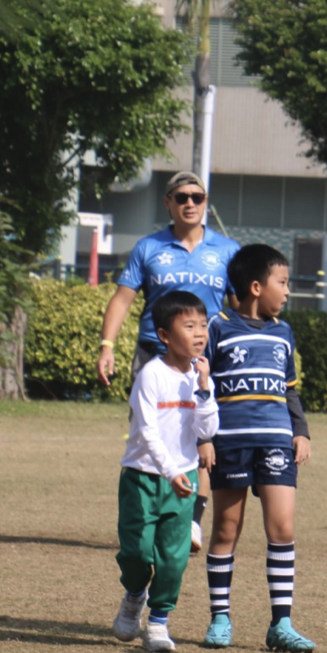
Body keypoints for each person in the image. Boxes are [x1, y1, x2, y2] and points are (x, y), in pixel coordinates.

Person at [98, 171, 240, 554]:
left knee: (203, 436)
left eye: (197, 196)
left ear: (206, 201)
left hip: (206, 357)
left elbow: (242, 305)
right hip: (154, 355)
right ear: (168, 203)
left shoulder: (227, 250)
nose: (189, 203)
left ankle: (191, 519)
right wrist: (107, 345)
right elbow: (123, 298)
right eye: (181, 197)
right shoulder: (148, 248)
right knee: (151, 434)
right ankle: (149, 513)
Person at [198, 244, 315, 653]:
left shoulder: (283, 332)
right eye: (281, 283)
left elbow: (290, 389)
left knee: (282, 529)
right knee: (226, 530)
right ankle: (220, 617)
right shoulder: (217, 327)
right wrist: (204, 439)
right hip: (230, 445)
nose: (287, 292)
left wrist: (300, 430)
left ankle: (281, 623)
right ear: (254, 286)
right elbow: (201, 388)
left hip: (277, 443)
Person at [109, 292, 219, 653]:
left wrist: (204, 389)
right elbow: (147, 431)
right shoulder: (151, 375)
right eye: (189, 326)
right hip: (142, 477)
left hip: (182, 480)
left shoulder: (200, 376)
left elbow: (209, 428)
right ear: (165, 335)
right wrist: (170, 471)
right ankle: (135, 593)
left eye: (203, 325)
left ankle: (158, 623)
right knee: (137, 553)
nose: (199, 333)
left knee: (173, 558)